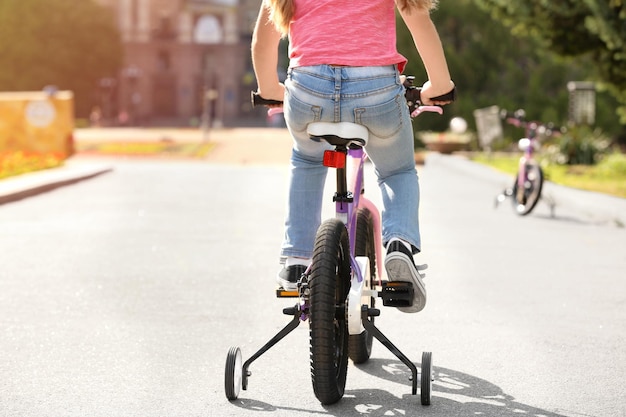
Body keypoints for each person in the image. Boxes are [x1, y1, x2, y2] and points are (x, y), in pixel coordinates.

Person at [251, 0, 455, 313]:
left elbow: (262, 41)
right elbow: (418, 21)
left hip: (308, 88)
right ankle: (399, 244)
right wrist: (439, 85)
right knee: (396, 170)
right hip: (375, 89)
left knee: (306, 161)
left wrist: (269, 88)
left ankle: (296, 260)